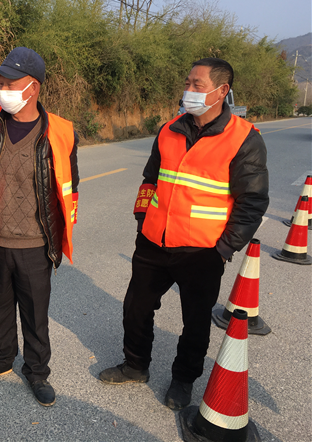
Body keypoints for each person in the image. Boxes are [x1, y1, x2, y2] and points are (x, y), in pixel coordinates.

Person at [99, 58, 269, 410]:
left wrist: (224, 248)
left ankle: (183, 379)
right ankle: (135, 365)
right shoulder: (169, 129)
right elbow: (150, 179)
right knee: (135, 308)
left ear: (221, 91)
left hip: (202, 251)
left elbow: (252, 201)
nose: (188, 90)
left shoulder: (244, 139)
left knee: (195, 321)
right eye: (187, 82)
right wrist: (142, 220)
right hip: (153, 243)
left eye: (197, 85)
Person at [0, 47, 79, 407]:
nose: (3, 89)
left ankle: (37, 371)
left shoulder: (59, 131)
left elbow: (69, 188)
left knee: (35, 314)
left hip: (35, 243)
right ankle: (0, 359)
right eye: (1, 82)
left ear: (33, 87)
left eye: (11, 83)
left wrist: (58, 239)